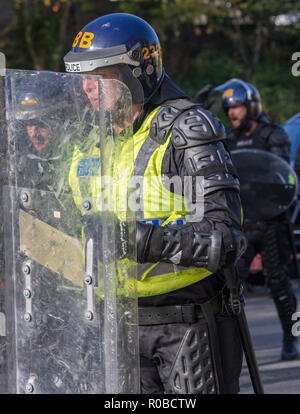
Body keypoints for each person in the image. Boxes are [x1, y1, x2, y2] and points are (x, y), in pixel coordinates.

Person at [64, 13, 248, 394]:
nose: (87, 89)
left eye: (101, 77)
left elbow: (226, 237)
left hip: (187, 321)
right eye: (82, 78)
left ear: (139, 72)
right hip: (115, 323)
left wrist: (139, 240)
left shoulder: (185, 131)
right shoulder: (86, 143)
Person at [219, 78, 298, 360]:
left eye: (237, 107)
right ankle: (233, 346)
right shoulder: (226, 138)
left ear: (250, 106)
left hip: (272, 222)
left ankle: (291, 338)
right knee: (232, 287)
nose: (232, 113)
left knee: (278, 282)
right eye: (228, 109)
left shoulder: (272, 134)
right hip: (242, 222)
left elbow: (279, 178)